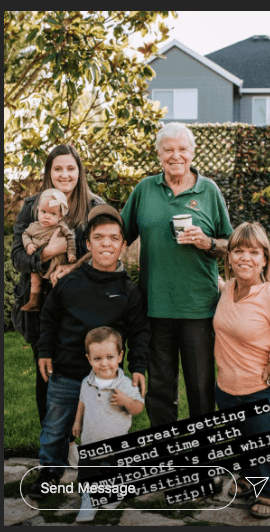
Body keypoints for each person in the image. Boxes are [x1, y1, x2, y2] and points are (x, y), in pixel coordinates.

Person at [28, 204, 150, 499]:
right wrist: (44, 352)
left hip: (107, 379)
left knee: (104, 429)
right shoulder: (70, 282)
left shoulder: (129, 292)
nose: (106, 243)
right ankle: (50, 471)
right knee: (55, 426)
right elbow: (49, 318)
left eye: (113, 237)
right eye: (98, 237)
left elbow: (139, 333)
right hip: (66, 371)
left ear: (123, 244)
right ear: (87, 243)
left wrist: (138, 367)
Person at [121, 122, 233, 427]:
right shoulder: (145, 189)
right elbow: (118, 236)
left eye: (182, 149)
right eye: (168, 149)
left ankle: (203, 462)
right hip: (155, 307)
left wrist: (207, 242)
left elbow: (230, 244)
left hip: (198, 308)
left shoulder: (208, 190)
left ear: (193, 152)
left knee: (200, 390)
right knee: (160, 391)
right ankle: (166, 458)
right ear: (158, 154)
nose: (176, 156)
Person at [11, 144, 105, 425]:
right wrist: (47, 253)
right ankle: (52, 452)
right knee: (47, 374)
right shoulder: (32, 206)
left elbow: (104, 253)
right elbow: (18, 257)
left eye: (70, 168)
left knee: (86, 373)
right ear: (49, 173)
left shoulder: (93, 206)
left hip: (83, 304)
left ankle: (83, 444)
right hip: (43, 308)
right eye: (58, 169)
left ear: (80, 171)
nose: (64, 175)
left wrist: (72, 266)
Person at [213, 221, 270, 519]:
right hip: (229, 388)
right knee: (243, 440)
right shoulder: (228, 288)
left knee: (268, 442)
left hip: (268, 389)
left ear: (264, 258)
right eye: (237, 251)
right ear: (229, 256)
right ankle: (249, 477)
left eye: (253, 252)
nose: (244, 257)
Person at [73, 327, 144, 522]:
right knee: (87, 471)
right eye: (97, 359)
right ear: (89, 359)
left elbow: (138, 407)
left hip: (117, 441)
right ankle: (88, 498)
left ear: (120, 356)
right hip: (90, 439)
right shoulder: (87, 382)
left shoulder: (126, 384)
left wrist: (127, 402)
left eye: (110, 357)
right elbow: (82, 402)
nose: (104, 363)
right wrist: (77, 422)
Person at [21, 189, 76, 312]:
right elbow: (25, 235)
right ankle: (34, 301)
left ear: (60, 216)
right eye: (43, 212)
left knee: (56, 279)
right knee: (35, 280)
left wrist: (71, 253)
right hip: (39, 261)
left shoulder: (61, 226)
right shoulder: (33, 226)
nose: (47, 216)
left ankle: (58, 303)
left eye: (53, 214)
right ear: (38, 210)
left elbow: (70, 238)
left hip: (57, 262)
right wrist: (29, 245)